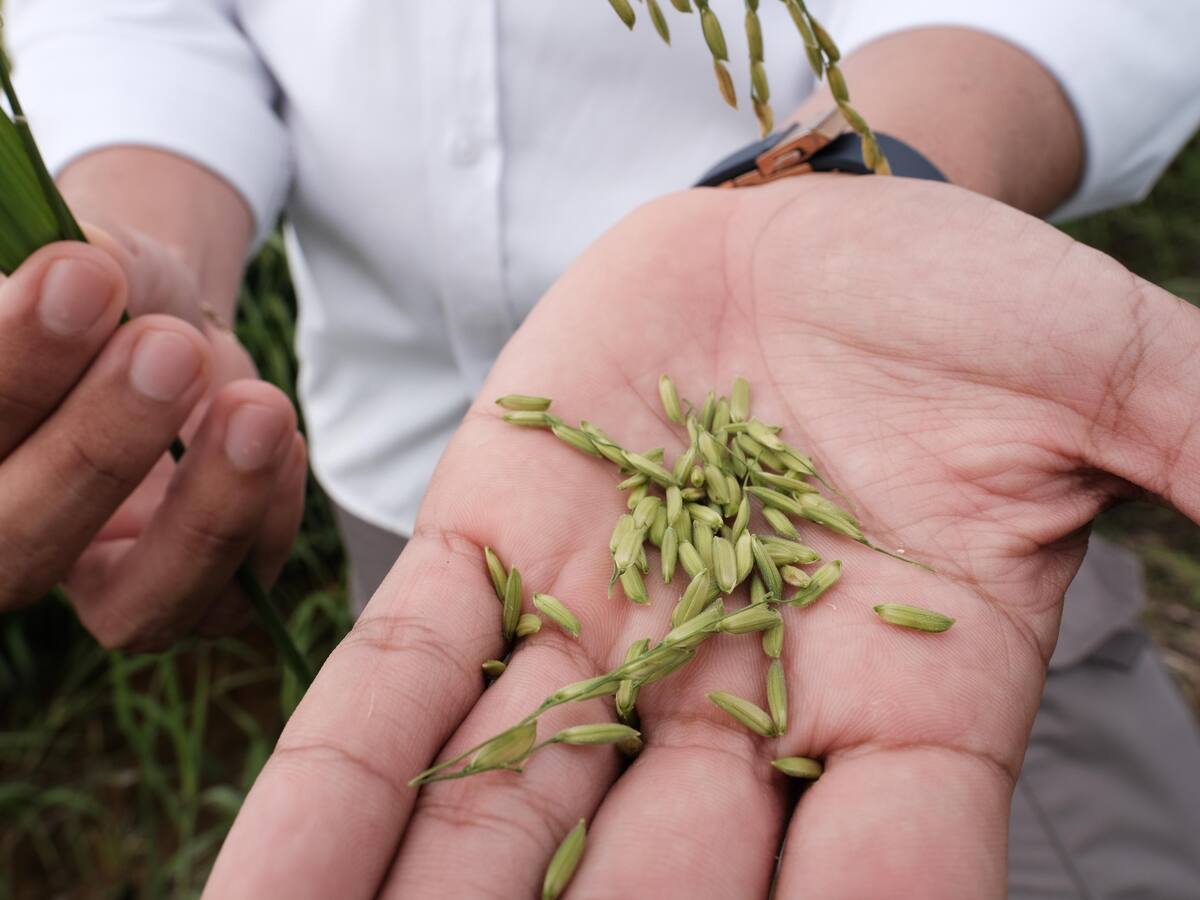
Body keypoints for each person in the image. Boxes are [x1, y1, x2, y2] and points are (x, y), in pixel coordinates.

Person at [3, 1, 1200, 896]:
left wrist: (853, 181)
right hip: (418, 521)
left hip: (894, 467)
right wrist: (144, 265)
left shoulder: (862, 527)